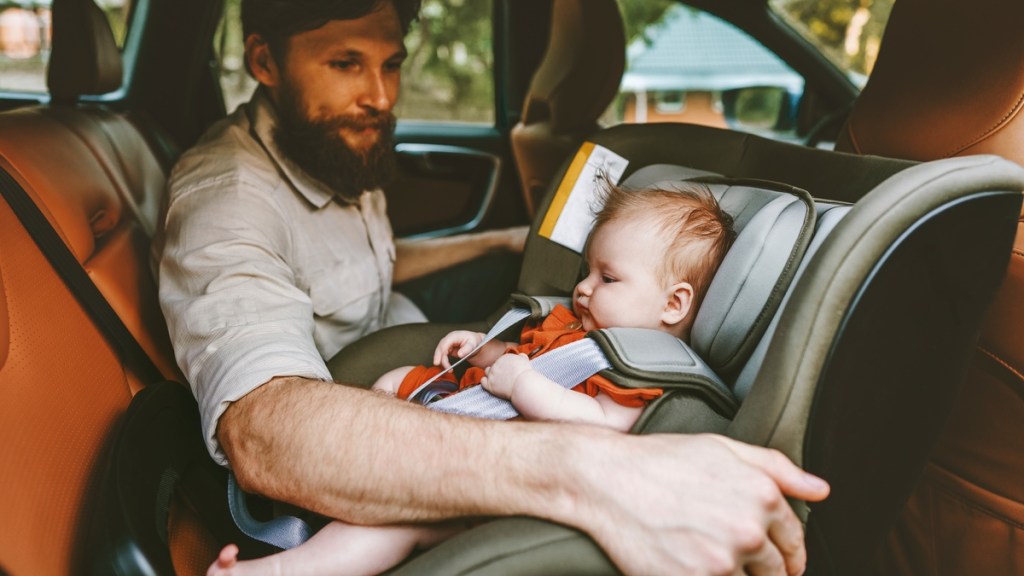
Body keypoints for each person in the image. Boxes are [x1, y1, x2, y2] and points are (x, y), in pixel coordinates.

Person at [158, 1, 831, 574]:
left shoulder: (327, 148)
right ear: (265, 63)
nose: (383, 96)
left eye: (391, 64)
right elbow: (266, 432)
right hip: (341, 431)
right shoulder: (226, 205)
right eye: (345, 64)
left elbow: (366, 266)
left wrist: (504, 242)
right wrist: (597, 471)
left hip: (407, 348)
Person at [206, 181, 741, 575]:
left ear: (674, 304)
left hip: (511, 479)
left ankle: (282, 571)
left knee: (394, 522)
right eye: (587, 272)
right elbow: (526, 352)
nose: (582, 288)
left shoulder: (638, 371)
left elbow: (603, 428)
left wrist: (521, 386)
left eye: (608, 278)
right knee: (395, 380)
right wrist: (486, 353)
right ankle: (341, 483)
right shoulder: (578, 325)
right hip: (483, 417)